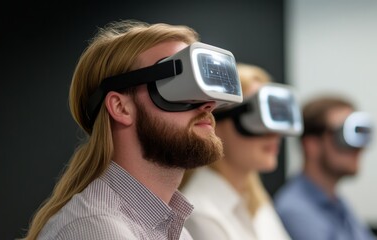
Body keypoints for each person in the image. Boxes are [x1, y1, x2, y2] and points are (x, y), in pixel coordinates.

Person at [24, 20, 243, 240]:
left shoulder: (175, 232)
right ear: (120, 107)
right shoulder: (96, 228)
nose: (208, 105)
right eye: (180, 85)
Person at [181, 63, 300, 240]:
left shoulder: (257, 203)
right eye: (258, 118)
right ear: (214, 123)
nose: (274, 134)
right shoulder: (202, 213)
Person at [275, 96, 377, 240]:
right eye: (343, 135)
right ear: (311, 144)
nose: (358, 148)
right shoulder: (296, 210)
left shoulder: (337, 203)